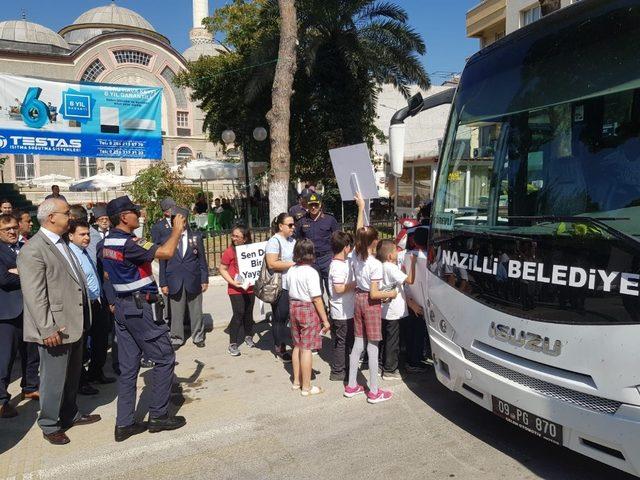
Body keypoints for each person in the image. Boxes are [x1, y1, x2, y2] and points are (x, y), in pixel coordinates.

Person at [97, 196, 186, 442]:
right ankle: (158, 416)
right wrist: (177, 229)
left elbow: (106, 274)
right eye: (134, 212)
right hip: (141, 309)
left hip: (123, 308)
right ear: (124, 217)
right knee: (165, 357)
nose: (139, 215)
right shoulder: (129, 243)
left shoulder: (105, 243)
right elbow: (166, 252)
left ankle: (124, 424)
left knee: (128, 369)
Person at [18, 199, 101, 445]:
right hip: (55, 327)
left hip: (74, 323)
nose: (71, 218)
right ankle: (50, 423)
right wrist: (47, 328)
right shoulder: (34, 249)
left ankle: (69, 413)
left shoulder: (61, 242)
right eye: (66, 214)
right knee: (54, 379)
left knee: (72, 375)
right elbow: (35, 295)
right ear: (52, 217)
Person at [344, 225, 396, 404]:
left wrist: (360, 207)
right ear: (374, 241)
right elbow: (375, 294)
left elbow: (360, 230)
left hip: (358, 298)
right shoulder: (375, 264)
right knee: (372, 347)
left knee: (358, 343)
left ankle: (351, 385)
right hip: (370, 303)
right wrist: (391, 293)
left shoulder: (355, 256)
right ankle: (374, 391)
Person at [67, 219, 115, 386]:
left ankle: (96, 372)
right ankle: (81, 381)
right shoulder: (69, 255)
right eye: (82, 234)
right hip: (83, 306)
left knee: (100, 341)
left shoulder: (85, 252)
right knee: (81, 346)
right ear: (71, 236)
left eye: (88, 234)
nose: (87, 237)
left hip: (98, 302)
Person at [0, 213, 39, 419]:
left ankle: (30, 386)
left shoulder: (24, 247)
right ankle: (2, 399)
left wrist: (18, 271)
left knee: (31, 351)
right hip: (6, 313)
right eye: (7, 229)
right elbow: (4, 279)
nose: (12, 232)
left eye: (15, 227)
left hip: (29, 309)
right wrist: (26, 274)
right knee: (4, 358)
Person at [327, 193, 365, 381]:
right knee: (342, 342)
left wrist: (361, 208)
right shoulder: (337, 266)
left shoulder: (345, 260)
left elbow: (359, 237)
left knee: (346, 341)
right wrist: (356, 283)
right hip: (341, 313)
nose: (352, 247)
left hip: (347, 311)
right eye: (349, 246)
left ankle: (344, 369)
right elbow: (339, 289)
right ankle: (338, 371)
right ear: (345, 248)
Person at [159, 206, 209, 349]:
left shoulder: (196, 237)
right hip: (173, 280)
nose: (182, 224)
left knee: (196, 310)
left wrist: (204, 279)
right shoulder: (166, 238)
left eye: (184, 221)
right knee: (176, 312)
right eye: (177, 220)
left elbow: (202, 260)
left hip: (193, 278)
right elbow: (162, 263)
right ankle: (176, 338)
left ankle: (198, 336)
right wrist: (163, 282)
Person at [287, 239, 330, 395]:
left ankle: (296, 381)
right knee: (307, 349)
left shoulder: (292, 270)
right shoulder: (311, 272)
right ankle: (306, 386)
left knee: (297, 345)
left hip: (293, 306)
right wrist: (325, 320)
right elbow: (317, 298)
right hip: (307, 308)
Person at [376, 239, 416, 379]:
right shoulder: (390, 267)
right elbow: (410, 280)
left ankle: (381, 364)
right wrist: (414, 263)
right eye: (395, 251)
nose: (397, 253)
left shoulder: (380, 266)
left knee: (385, 339)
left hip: (385, 311)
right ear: (389, 256)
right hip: (395, 311)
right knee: (393, 341)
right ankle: (390, 370)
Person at [219, 225, 255, 356]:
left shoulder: (252, 250)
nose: (233, 238)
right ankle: (233, 343)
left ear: (245, 239)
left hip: (250, 287)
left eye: (237, 236)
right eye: (233, 235)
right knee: (239, 313)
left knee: (248, 312)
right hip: (235, 289)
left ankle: (248, 336)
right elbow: (222, 269)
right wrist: (233, 282)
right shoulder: (229, 251)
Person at [265, 213, 296, 362]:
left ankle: (285, 342)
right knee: (280, 317)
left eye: (293, 224)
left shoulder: (292, 240)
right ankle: (280, 347)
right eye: (290, 225)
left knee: (287, 317)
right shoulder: (274, 241)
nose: (293, 227)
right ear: (281, 226)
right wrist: (293, 264)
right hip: (279, 286)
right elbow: (271, 263)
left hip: (291, 285)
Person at [294, 192, 339, 294]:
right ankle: (321, 309)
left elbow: (338, 239)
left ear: (320, 204)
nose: (313, 207)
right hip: (311, 259)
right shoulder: (302, 221)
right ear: (307, 205)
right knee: (315, 291)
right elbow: (299, 241)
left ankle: (332, 310)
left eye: (316, 205)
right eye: (311, 205)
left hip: (327, 258)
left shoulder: (330, 219)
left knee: (331, 290)